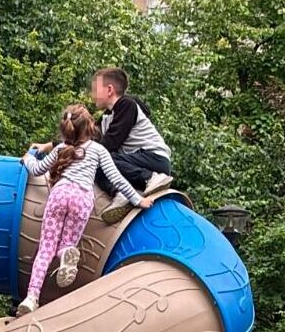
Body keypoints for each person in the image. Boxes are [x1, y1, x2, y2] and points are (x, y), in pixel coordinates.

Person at [18, 104, 154, 316]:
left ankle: (31, 297)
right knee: (67, 243)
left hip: (60, 194)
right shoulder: (98, 150)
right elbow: (116, 179)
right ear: (90, 126)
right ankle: (66, 253)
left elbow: (37, 169)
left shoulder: (60, 149)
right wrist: (138, 200)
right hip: (82, 199)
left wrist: (28, 159)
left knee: (45, 248)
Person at [91, 67, 173, 224]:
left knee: (100, 156)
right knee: (94, 162)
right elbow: (85, 139)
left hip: (154, 159)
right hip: (134, 164)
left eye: (95, 89)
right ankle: (119, 194)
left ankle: (151, 178)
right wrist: (54, 146)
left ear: (109, 90)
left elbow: (109, 144)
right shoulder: (107, 117)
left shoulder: (126, 105)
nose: (92, 95)